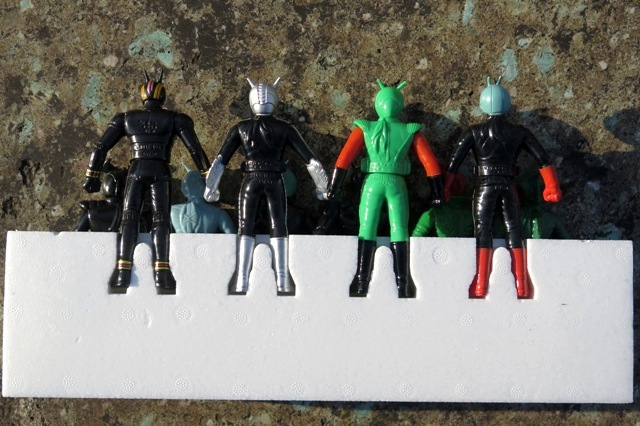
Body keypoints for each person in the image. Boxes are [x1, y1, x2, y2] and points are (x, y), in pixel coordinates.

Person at [83, 70, 210, 294]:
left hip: (137, 168)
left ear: (143, 96)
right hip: (160, 168)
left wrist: (91, 176)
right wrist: (207, 175)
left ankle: (122, 270)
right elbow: (194, 149)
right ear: (162, 96)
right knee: (161, 219)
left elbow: (101, 147)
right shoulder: (175, 119)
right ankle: (162, 272)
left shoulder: (126, 118)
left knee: (129, 216)